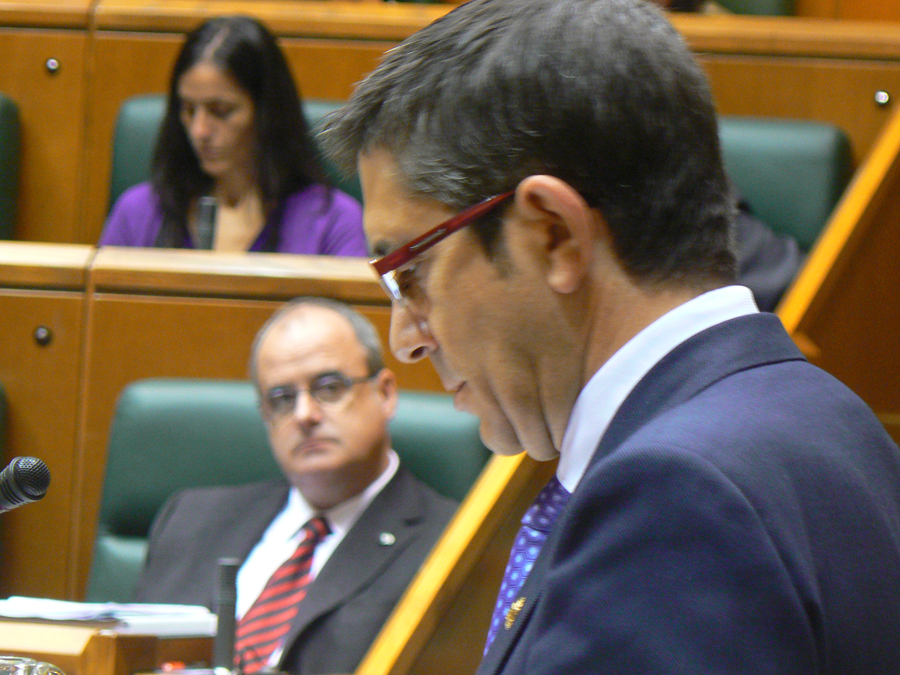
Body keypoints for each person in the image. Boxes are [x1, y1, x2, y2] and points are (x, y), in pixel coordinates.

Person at [321, 1, 900, 673]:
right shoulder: (830, 416)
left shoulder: (673, 501)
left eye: (411, 271)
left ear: (554, 233)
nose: (405, 339)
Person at [133, 298, 457, 674]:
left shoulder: (449, 542)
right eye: (282, 399)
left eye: (329, 388)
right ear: (265, 416)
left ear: (385, 393)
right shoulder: (190, 520)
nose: (305, 415)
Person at [99, 16, 366, 256]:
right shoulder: (137, 212)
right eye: (189, 110)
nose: (199, 131)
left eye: (221, 111)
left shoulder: (333, 221)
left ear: (266, 111)